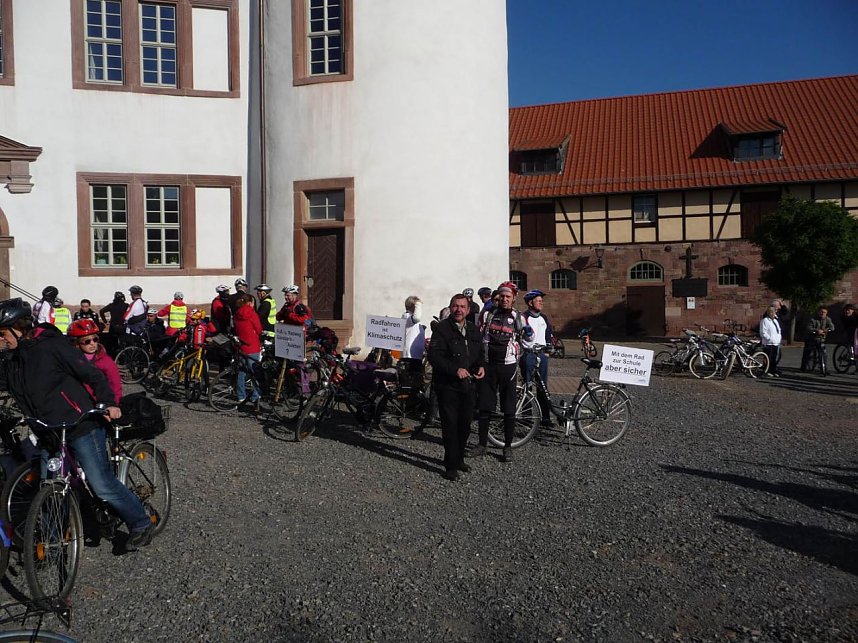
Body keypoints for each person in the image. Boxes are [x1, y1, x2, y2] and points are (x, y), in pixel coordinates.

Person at [0, 298, 154, 547]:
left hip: (81, 425)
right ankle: (54, 540)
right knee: (49, 486)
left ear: (20, 328)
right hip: (48, 431)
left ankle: (141, 523)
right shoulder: (13, 360)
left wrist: (108, 402)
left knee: (101, 484)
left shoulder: (52, 347)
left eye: (3, 333)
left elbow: (92, 374)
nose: (1, 339)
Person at [470, 281, 532, 463]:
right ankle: (482, 444)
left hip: (508, 367)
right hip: (488, 366)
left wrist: (528, 334)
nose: (505, 299)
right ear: (498, 297)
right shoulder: (487, 314)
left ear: (513, 298)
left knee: (509, 407)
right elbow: (479, 338)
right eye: (502, 296)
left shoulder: (519, 317)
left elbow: (528, 340)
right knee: (485, 406)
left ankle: (507, 447)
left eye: (508, 297)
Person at [428, 294, 484, 481]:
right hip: (448, 385)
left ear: (468, 310)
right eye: (455, 306)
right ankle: (450, 465)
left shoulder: (474, 330)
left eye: (462, 306)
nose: (459, 309)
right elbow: (435, 357)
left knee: (465, 425)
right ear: (450, 308)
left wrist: (481, 367)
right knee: (450, 426)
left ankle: (459, 459)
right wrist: (455, 370)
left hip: (468, 386)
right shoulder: (442, 329)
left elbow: (478, 354)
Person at [519, 289, 554, 425]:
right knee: (527, 385)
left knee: (543, 386)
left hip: (542, 355)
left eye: (541, 301)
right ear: (530, 302)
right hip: (529, 355)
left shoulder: (543, 318)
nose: (541, 303)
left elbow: (548, 335)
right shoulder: (523, 317)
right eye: (538, 301)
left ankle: (545, 417)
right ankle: (526, 417)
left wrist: (547, 352)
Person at [69, 318, 122, 404]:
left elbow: (115, 386)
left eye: (95, 339)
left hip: (99, 404)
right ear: (77, 344)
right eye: (87, 341)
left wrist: (114, 406)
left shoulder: (105, 361)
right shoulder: (71, 360)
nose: (92, 343)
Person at [233, 294, 262, 409]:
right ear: (249, 303)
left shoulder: (237, 313)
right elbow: (258, 329)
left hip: (241, 346)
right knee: (256, 372)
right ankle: (255, 397)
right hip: (253, 346)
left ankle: (241, 396)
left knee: (242, 372)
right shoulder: (251, 313)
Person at [802, 306, 835, 376]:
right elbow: (808, 328)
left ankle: (824, 369)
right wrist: (817, 331)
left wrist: (826, 330)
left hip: (821, 339)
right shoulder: (813, 319)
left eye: (824, 312)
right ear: (818, 312)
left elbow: (832, 327)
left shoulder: (828, 319)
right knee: (807, 352)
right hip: (811, 338)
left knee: (824, 354)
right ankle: (804, 366)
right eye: (821, 312)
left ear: (826, 313)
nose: (822, 313)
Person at [99, 291, 128, 356]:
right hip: (122, 326)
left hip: (113, 326)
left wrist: (105, 321)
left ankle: (112, 356)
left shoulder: (111, 305)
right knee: (123, 343)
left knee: (112, 343)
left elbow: (101, 311)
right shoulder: (126, 305)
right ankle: (122, 357)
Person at [759, 305, 783, 377]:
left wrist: (779, 338)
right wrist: (769, 339)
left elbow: (778, 331)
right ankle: (766, 370)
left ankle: (773, 370)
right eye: (772, 312)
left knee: (774, 358)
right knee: (768, 358)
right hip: (768, 343)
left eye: (774, 312)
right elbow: (763, 332)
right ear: (769, 313)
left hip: (776, 342)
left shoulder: (775, 321)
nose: (773, 314)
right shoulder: (765, 321)